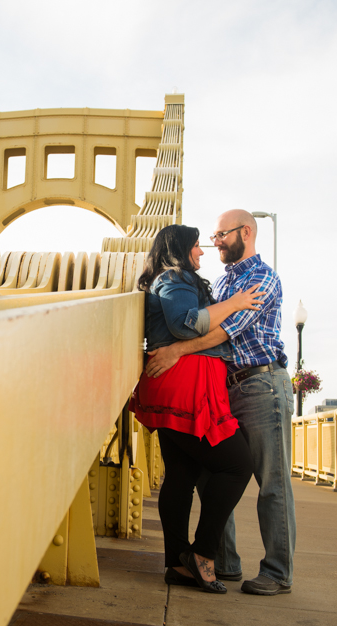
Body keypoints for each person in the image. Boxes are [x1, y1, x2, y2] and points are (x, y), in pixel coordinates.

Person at [145, 209, 295, 596]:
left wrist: (176, 351)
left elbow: (223, 333)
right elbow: (196, 318)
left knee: (269, 482)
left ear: (246, 232)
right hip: (222, 387)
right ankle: (220, 562)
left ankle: (277, 572)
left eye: (221, 235)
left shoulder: (260, 278)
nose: (214, 243)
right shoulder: (221, 283)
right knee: (212, 474)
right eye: (208, 238)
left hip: (260, 385)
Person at [130, 225, 262, 594]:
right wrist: (235, 303)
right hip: (186, 385)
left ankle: (176, 564)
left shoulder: (171, 278)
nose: (202, 253)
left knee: (182, 474)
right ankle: (201, 555)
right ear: (180, 249)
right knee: (237, 465)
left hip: (178, 382)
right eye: (196, 247)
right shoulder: (174, 278)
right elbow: (187, 325)